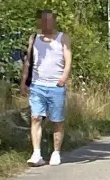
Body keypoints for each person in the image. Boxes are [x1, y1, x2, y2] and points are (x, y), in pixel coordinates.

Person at [19, 10, 71, 167]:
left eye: (48, 20)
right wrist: (23, 81)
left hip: (56, 85)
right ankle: (36, 154)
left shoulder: (63, 38)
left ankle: (56, 152)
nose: (45, 24)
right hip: (37, 85)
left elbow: (68, 59)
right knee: (36, 117)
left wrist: (64, 76)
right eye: (43, 21)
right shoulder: (34, 38)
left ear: (54, 21)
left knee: (57, 120)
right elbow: (28, 61)